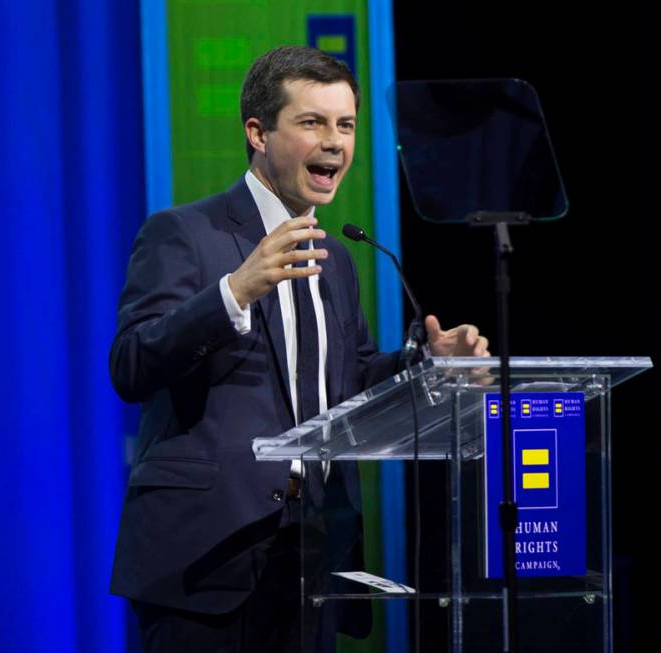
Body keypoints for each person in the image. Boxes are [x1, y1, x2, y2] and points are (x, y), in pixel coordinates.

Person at [109, 45, 489, 652]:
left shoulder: (336, 258)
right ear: (257, 132)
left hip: (311, 551)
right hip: (205, 555)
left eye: (345, 125)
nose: (335, 142)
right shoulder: (184, 233)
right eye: (312, 123)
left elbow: (351, 383)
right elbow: (131, 364)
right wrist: (234, 291)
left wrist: (428, 366)